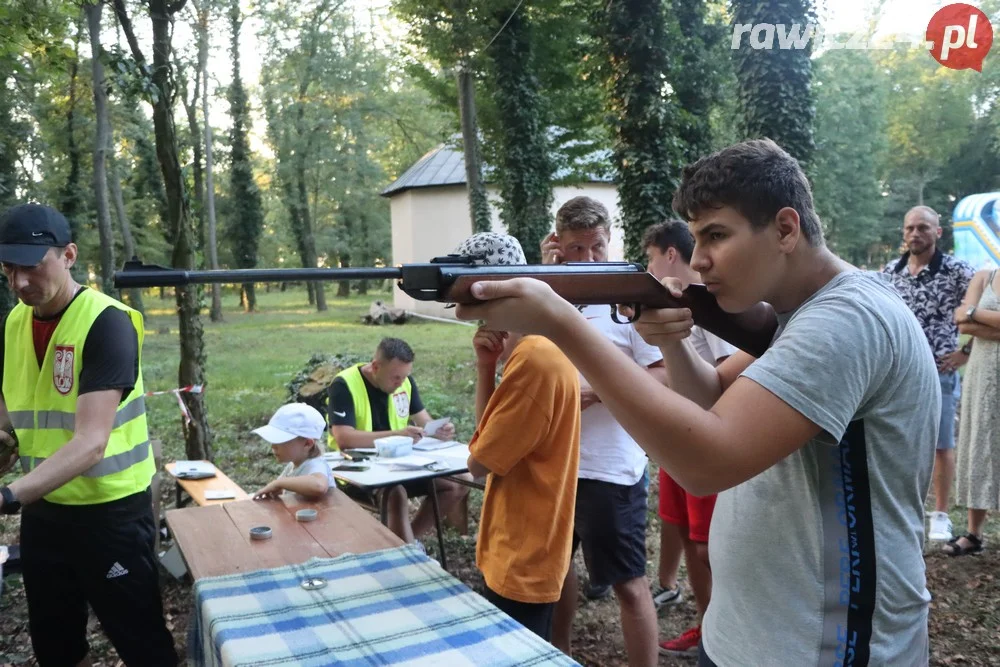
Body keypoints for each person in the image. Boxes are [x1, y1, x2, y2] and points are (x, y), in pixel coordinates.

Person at [454, 139, 938, 666]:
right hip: (749, 632)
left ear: (785, 228)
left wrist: (562, 324)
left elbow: (706, 462)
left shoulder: (844, 322)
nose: (699, 258)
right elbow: (713, 398)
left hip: (824, 645)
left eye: (716, 235)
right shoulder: (800, 315)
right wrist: (670, 341)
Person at [0, 203, 177, 666]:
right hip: (44, 514)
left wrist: (7, 497)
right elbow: (10, 406)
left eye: (32, 266)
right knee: (55, 646)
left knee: (143, 644)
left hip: (110, 517)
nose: (20, 282)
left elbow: (91, 441)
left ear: (69, 255)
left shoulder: (107, 323)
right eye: (9, 268)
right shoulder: (16, 321)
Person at [541, 197, 661, 667]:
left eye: (597, 248)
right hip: (555, 462)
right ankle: (561, 654)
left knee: (628, 584)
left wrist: (594, 391)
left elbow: (661, 378)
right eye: (575, 250)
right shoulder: (544, 299)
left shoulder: (625, 301)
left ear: (610, 243)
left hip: (610, 469)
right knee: (556, 571)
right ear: (557, 246)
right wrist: (544, 281)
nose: (588, 260)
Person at [461, 232, 581, 641]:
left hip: (523, 555)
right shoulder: (534, 350)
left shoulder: (533, 361)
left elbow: (478, 462)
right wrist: (485, 367)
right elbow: (489, 438)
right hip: (519, 546)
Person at [641, 220, 735, 656]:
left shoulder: (709, 308)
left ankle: (720, 630)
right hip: (681, 437)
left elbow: (725, 381)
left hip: (703, 439)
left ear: (669, 255)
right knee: (685, 535)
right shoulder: (687, 304)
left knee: (704, 548)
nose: (648, 266)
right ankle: (705, 625)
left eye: (650, 256)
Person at [881, 205, 974, 542]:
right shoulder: (891, 272)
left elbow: (987, 308)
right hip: (899, 375)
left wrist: (966, 351)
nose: (915, 234)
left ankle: (941, 515)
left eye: (923, 227)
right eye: (909, 228)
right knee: (897, 444)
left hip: (939, 372)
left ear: (938, 232)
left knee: (940, 444)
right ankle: (904, 511)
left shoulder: (958, 271)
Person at [327, 337, 469, 543]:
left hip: (400, 466)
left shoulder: (405, 382)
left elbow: (424, 420)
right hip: (357, 471)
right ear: (375, 367)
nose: (401, 383)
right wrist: (398, 434)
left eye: (405, 377)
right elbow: (344, 439)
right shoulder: (344, 384)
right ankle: (405, 550)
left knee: (461, 482)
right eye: (395, 378)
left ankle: (405, 543)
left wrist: (439, 430)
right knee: (396, 494)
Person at [946, 268, 1000, 556]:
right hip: (983, 374)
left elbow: (967, 316)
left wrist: (974, 312)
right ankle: (974, 533)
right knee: (980, 442)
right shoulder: (985, 277)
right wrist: (971, 317)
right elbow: (961, 324)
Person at [252, 402, 334, 501]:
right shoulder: (294, 464)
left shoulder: (315, 464)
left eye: (280, 440)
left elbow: (319, 485)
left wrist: (279, 483)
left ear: (307, 444)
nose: (273, 446)